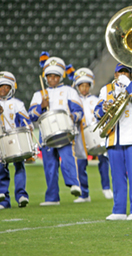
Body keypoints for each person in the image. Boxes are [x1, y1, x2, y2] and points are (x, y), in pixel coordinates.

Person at [94, 63, 132, 220]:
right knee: (117, 175)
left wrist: (129, 85)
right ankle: (118, 210)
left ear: (131, 74)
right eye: (120, 72)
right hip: (114, 137)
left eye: (126, 72)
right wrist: (103, 108)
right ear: (115, 74)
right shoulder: (106, 90)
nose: (123, 74)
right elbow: (97, 111)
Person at [29, 53, 83, 206]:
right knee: (49, 165)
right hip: (45, 133)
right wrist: (41, 106)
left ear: (60, 77)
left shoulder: (69, 91)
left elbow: (79, 111)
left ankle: (74, 184)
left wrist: (74, 116)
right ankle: (52, 197)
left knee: (67, 159)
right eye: (50, 76)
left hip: (64, 130)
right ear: (45, 78)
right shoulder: (39, 94)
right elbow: (31, 115)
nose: (52, 79)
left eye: (56, 76)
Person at [73, 67, 113, 201]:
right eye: (81, 85)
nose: (84, 88)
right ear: (77, 86)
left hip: (95, 132)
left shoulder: (96, 99)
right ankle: (84, 193)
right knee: (81, 164)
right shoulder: (73, 100)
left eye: (86, 85)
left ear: (90, 86)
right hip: (80, 134)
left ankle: (106, 188)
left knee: (103, 160)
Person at [0, 71, 31, 209]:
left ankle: (21, 195)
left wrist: (27, 126)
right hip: (1, 140)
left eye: (6, 87)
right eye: (1, 87)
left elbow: (26, 121)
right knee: (1, 168)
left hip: (16, 139)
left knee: (19, 166)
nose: (3, 90)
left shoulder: (17, 103)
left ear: (12, 88)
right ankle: (3, 198)